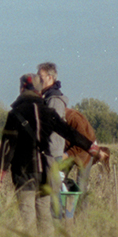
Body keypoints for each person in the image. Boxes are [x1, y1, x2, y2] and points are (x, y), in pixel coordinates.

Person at [0, 74, 105, 235]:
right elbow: (70, 132)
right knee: (45, 216)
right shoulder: (47, 112)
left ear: (22, 88)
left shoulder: (15, 114)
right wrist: (92, 148)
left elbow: (7, 146)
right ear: (39, 90)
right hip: (45, 172)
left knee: (27, 217)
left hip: (23, 174)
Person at [37, 62, 67, 215]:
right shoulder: (48, 97)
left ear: (49, 78)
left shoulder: (54, 99)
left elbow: (50, 126)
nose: (38, 80)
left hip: (52, 153)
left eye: (40, 76)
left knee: (53, 194)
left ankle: (58, 227)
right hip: (49, 152)